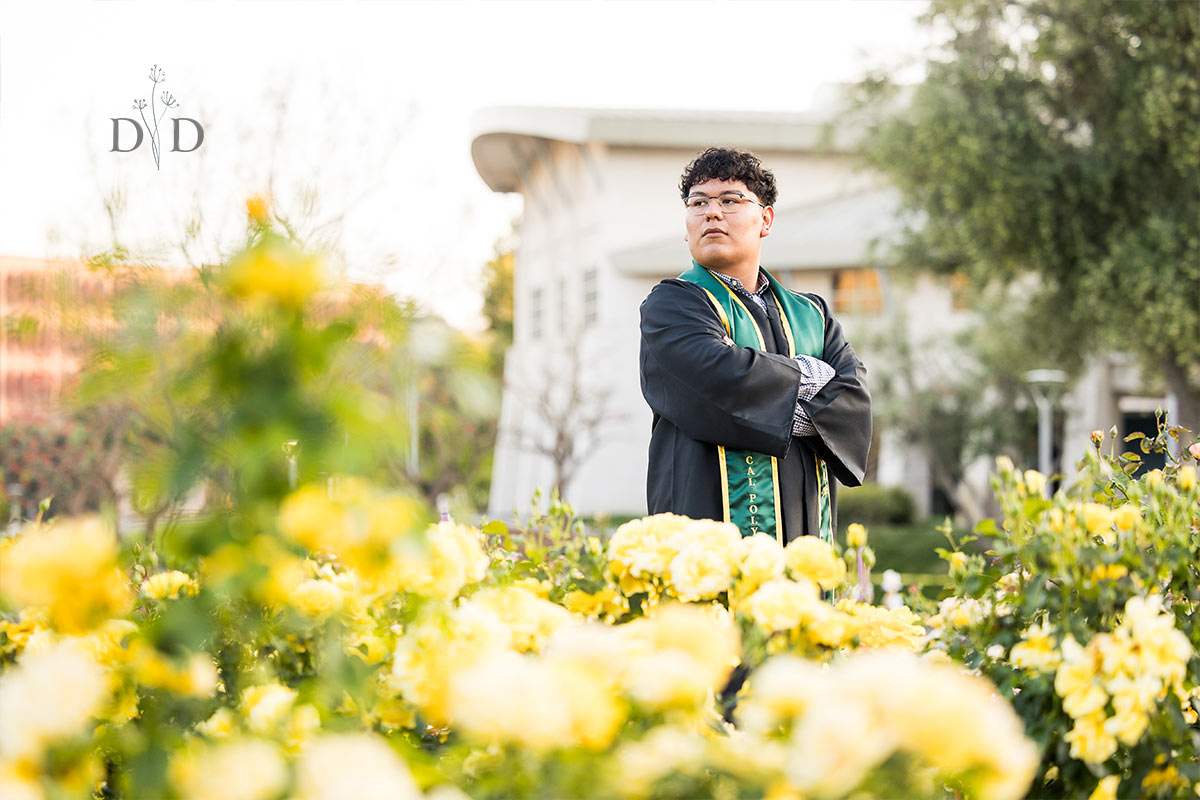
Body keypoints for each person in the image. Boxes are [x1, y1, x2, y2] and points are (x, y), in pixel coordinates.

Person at [638, 147, 872, 544]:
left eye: (730, 200)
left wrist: (776, 393)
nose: (712, 213)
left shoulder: (812, 314)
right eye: (698, 203)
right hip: (705, 544)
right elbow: (718, 380)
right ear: (687, 224)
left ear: (765, 220)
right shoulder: (672, 305)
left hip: (803, 538)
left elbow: (855, 401)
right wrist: (810, 390)